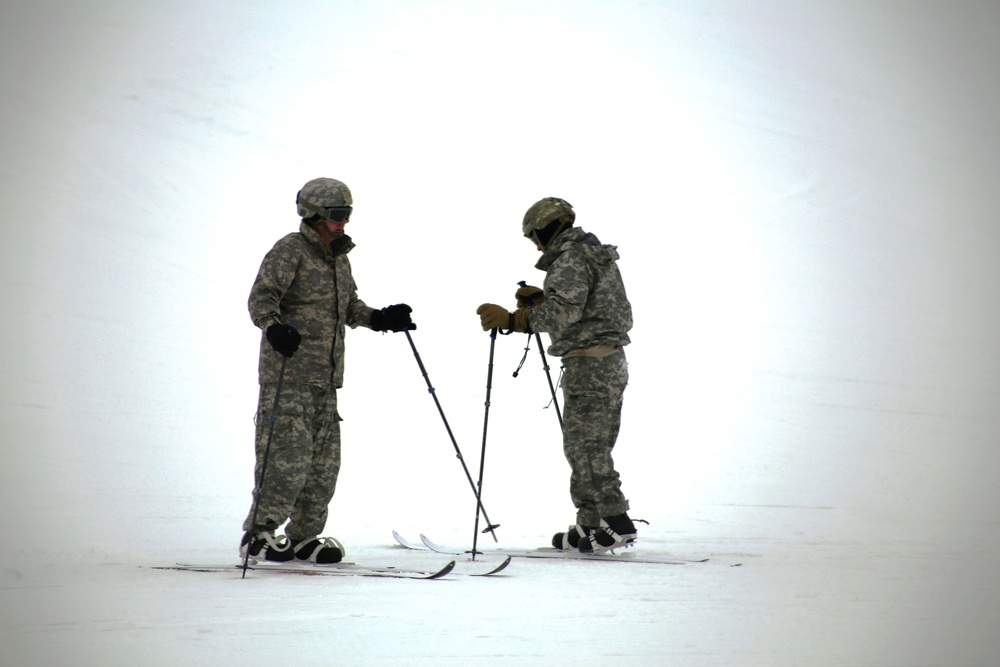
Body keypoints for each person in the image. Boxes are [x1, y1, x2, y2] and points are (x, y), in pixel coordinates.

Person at [240, 177, 414, 564]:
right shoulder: (290, 250)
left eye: (347, 214)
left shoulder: (338, 258)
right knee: (287, 457)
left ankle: (303, 536)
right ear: (314, 214)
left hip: (326, 379)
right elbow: (262, 298)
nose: (344, 222)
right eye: (337, 215)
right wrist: (274, 328)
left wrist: (381, 318)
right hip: (289, 375)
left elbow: (348, 307)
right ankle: (260, 534)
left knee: (323, 464)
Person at [476, 197, 636, 554]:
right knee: (586, 444)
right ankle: (590, 524)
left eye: (535, 235)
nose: (536, 243)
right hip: (604, 362)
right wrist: (542, 302)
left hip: (590, 364)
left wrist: (516, 320)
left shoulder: (570, 259)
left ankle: (616, 522)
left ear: (548, 227)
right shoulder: (591, 254)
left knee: (586, 447)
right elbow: (582, 307)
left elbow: (565, 314)